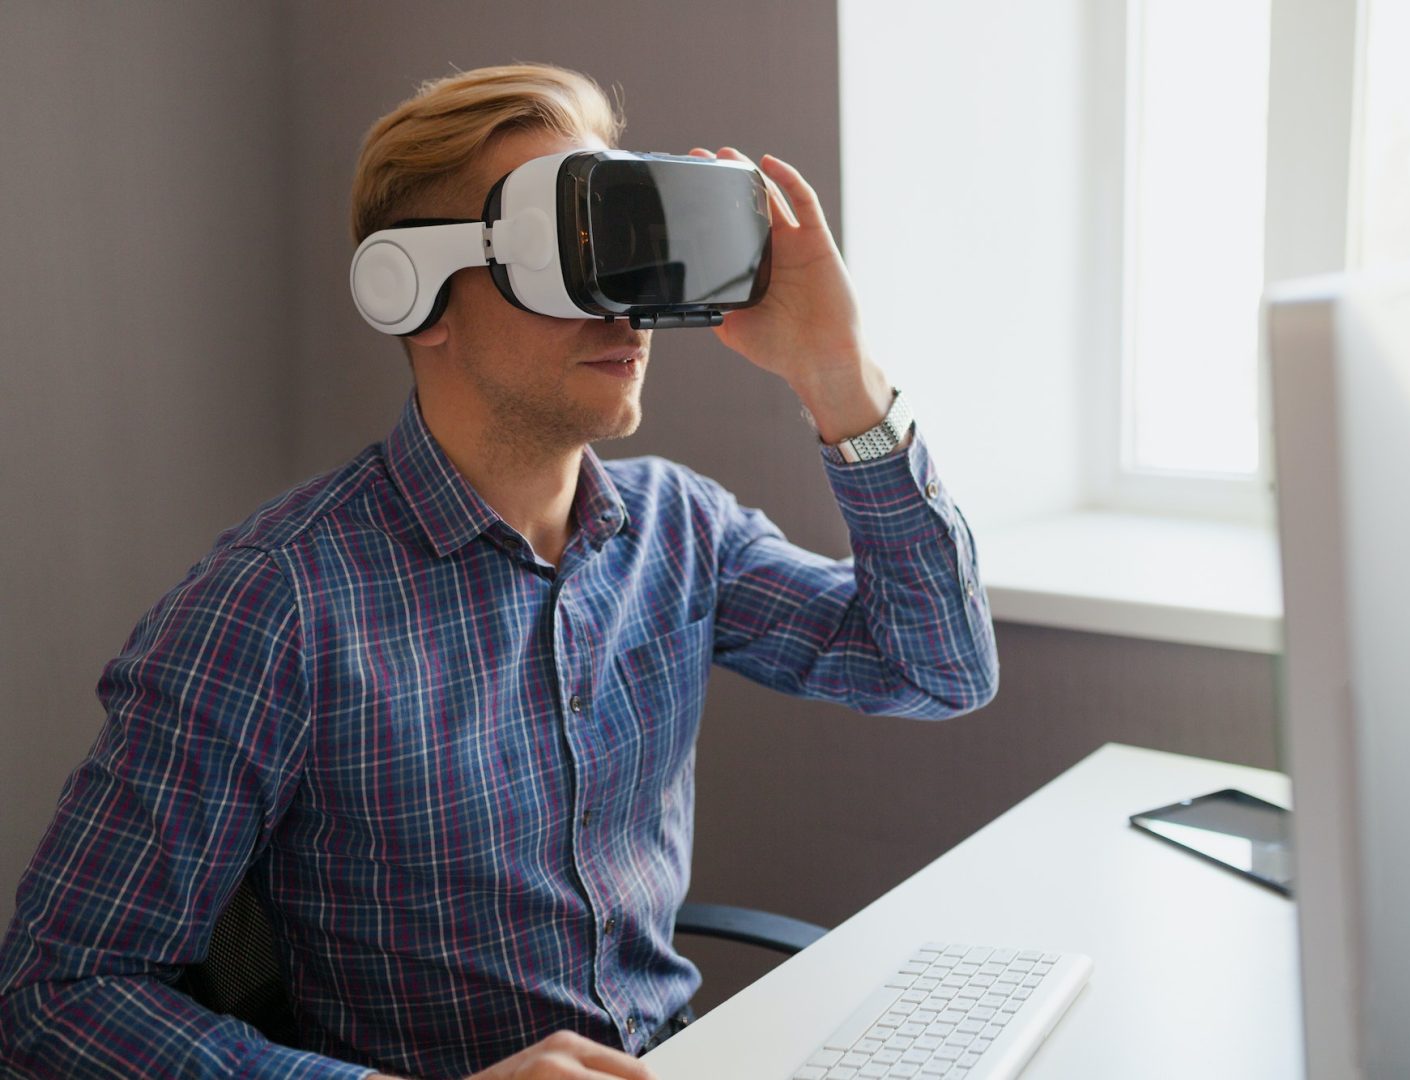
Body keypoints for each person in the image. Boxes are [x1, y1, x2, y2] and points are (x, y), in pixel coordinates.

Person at [0, 63, 997, 1080]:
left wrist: (838, 373)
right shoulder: (276, 608)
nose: (628, 315)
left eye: (634, 253)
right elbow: (56, 995)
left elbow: (935, 668)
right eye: (576, 258)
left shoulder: (679, 530)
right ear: (415, 294)